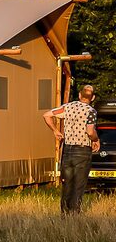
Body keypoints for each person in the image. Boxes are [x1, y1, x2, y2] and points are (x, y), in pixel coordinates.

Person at [45, 84, 100, 215]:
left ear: (80, 95)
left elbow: (47, 115)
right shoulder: (91, 111)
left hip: (68, 150)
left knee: (67, 184)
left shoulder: (67, 107)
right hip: (82, 151)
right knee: (78, 185)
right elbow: (90, 131)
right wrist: (96, 140)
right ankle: (75, 214)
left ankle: (64, 214)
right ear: (92, 98)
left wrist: (55, 131)